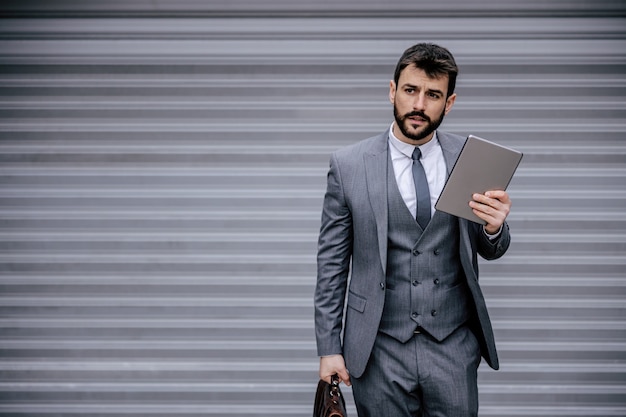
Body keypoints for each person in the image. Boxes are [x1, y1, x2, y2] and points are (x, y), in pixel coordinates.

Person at [314, 42, 512, 416]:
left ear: (448, 103)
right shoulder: (350, 165)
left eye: (433, 94)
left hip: (453, 347)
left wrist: (494, 228)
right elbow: (331, 266)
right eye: (410, 90)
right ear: (393, 91)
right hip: (378, 347)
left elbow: (491, 246)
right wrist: (329, 348)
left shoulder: (470, 158)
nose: (419, 104)